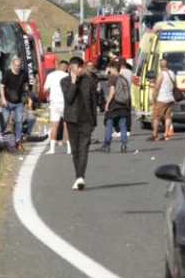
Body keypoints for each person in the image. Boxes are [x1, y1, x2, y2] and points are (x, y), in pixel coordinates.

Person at [61, 56, 97, 190]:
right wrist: (73, 82)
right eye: (72, 69)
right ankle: (78, 177)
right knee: (75, 151)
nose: (75, 71)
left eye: (77, 68)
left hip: (86, 120)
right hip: (72, 120)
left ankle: (81, 177)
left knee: (84, 150)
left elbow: (93, 102)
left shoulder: (89, 81)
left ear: (81, 68)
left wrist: (94, 122)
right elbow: (69, 99)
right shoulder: (64, 82)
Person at [97, 61, 130, 153]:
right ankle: (124, 145)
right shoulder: (123, 79)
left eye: (110, 68)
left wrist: (107, 103)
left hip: (114, 105)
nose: (109, 70)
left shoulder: (112, 78)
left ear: (114, 69)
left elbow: (112, 91)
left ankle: (107, 145)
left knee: (109, 124)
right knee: (123, 126)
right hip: (123, 104)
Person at [0, 57, 29, 144]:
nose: (17, 67)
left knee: (19, 121)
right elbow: (1, 86)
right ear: (13, 65)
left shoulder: (24, 73)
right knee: (5, 120)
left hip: (19, 102)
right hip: (8, 101)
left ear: (21, 65)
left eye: (19, 65)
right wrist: (3, 99)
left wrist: (26, 95)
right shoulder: (7, 73)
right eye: (16, 65)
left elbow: (25, 85)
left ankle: (18, 138)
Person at [44, 60, 69, 154]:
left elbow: (45, 89)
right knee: (67, 125)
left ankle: (52, 149)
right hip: (65, 103)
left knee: (54, 126)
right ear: (66, 68)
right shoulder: (67, 76)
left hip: (54, 103)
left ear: (58, 66)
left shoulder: (50, 75)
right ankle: (69, 148)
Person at [151, 60, 175, 142]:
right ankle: (166, 134)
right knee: (167, 116)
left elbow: (157, 87)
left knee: (156, 116)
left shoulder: (161, 74)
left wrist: (154, 98)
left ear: (160, 66)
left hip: (162, 98)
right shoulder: (172, 73)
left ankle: (154, 135)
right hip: (170, 98)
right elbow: (175, 85)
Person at [118, 57, 133, 138]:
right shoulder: (130, 72)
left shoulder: (120, 73)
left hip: (121, 95)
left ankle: (122, 129)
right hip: (128, 94)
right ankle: (128, 129)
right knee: (128, 112)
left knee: (121, 113)